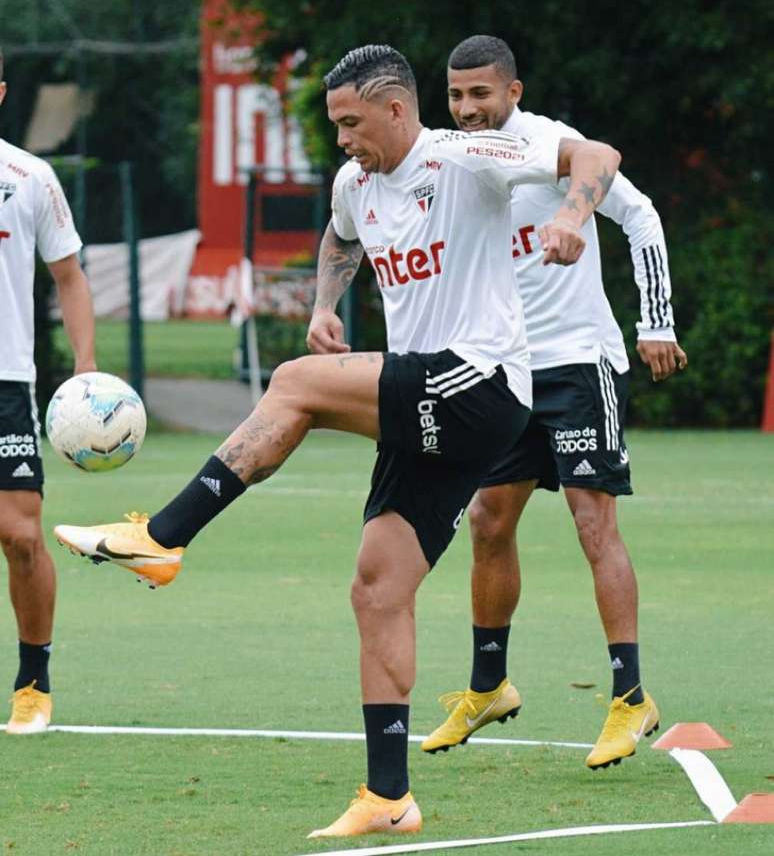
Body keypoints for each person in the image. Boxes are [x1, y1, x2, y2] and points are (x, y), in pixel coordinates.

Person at [54, 44, 620, 837]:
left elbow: (594, 154)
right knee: (377, 587)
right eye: (335, 125)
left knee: (294, 385)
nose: (343, 138)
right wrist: (327, 300)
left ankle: (162, 537)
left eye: (353, 122)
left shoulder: (467, 156)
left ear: (397, 109)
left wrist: (569, 211)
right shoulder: (356, 182)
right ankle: (389, 797)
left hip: (481, 382)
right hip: (427, 397)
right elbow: (341, 235)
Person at [421, 35, 687, 770]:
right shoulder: (455, 156)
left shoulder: (551, 145)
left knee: (591, 520)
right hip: (508, 369)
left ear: (513, 91)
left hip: (578, 361)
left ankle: (632, 697)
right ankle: (488, 684)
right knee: (487, 518)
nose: (468, 108)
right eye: (456, 95)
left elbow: (641, 215)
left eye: (482, 94)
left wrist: (655, 321)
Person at [0, 49, 97, 734]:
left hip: (7, 379)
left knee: (20, 533)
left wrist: (84, 369)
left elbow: (68, 274)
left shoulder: (29, 175)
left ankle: (33, 679)